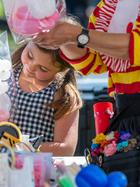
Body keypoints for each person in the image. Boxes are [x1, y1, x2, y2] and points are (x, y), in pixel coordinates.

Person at [34, 0, 140, 135]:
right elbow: (94, 62)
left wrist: (76, 34)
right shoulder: (108, 5)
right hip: (126, 115)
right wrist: (61, 37)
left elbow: (135, 48)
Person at [8, 41, 82, 156]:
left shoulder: (62, 96)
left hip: (36, 169)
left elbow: (66, 149)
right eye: (30, 55)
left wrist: (17, 147)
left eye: (43, 68)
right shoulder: (3, 76)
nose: (31, 68)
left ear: (62, 70)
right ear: (28, 42)